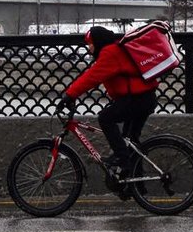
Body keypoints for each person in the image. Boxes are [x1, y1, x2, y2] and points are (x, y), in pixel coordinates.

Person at [56, 26, 159, 176]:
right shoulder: (115, 49)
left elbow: (92, 76)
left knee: (105, 118)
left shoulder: (110, 52)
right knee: (130, 142)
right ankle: (135, 185)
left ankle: (121, 160)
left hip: (137, 99)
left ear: (98, 42)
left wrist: (70, 95)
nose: (89, 48)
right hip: (143, 97)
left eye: (90, 43)